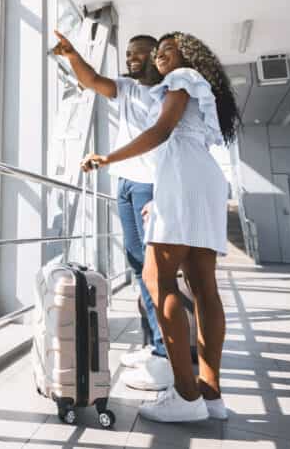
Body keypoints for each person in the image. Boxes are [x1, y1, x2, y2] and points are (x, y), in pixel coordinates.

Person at [81, 32, 240, 423]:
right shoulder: (200, 86)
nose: (161, 57)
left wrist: (107, 158)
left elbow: (161, 131)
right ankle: (210, 394)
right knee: (204, 286)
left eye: (168, 50)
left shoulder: (181, 78)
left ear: (187, 55)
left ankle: (186, 398)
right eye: (160, 52)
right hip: (204, 179)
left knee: (158, 279)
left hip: (183, 178)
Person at [50, 29, 173, 391]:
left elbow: (161, 138)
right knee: (138, 266)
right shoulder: (129, 88)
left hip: (151, 186)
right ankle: (154, 346)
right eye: (129, 54)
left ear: (156, 56)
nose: (131, 59)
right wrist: (71, 54)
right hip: (126, 184)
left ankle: (169, 354)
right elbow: (91, 80)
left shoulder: (166, 93)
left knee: (156, 271)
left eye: (139, 54)